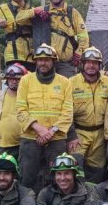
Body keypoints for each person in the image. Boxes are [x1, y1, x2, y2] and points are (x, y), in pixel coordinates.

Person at [15, 43, 73, 194]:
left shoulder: (65, 82)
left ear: (54, 61)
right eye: (39, 60)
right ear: (35, 61)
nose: (42, 63)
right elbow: (20, 110)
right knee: (27, 179)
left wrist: (50, 132)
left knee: (57, 178)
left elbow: (67, 113)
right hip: (30, 138)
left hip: (56, 139)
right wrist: (39, 129)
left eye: (47, 59)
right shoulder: (26, 81)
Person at [16, 0, 88, 77]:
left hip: (65, 63)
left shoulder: (72, 12)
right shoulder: (41, 11)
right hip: (44, 63)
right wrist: (34, 12)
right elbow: (18, 18)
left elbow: (83, 35)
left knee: (67, 90)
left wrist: (79, 52)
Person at [69, 46, 108, 183]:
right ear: (82, 64)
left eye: (95, 62)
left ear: (100, 65)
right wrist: (71, 136)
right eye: (88, 62)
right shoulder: (70, 83)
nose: (91, 65)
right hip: (78, 134)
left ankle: (92, 198)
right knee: (75, 167)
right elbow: (65, 112)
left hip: (100, 135)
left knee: (97, 171)